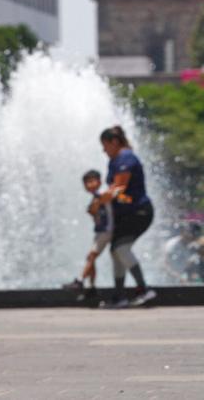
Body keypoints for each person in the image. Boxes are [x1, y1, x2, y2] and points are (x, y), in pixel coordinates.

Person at [99, 126, 157, 308]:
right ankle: (119, 296)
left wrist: (100, 199)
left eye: (105, 145)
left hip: (139, 211)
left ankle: (144, 289)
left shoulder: (126, 158)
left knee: (121, 248)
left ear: (114, 142)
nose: (104, 150)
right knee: (116, 251)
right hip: (127, 213)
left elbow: (119, 188)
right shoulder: (115, 160)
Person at [64, 170, 114, 300]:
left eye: (92, 181)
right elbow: (93, 211)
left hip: (107, 231)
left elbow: (96, 208)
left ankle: (80, 282)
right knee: (91, 258)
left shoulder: (102, 194)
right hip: (101, 231)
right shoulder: (97, 196)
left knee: (91, 257)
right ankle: (91, 288)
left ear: (99, 181)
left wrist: (94, 209)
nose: (90, 185)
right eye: (87, 183)